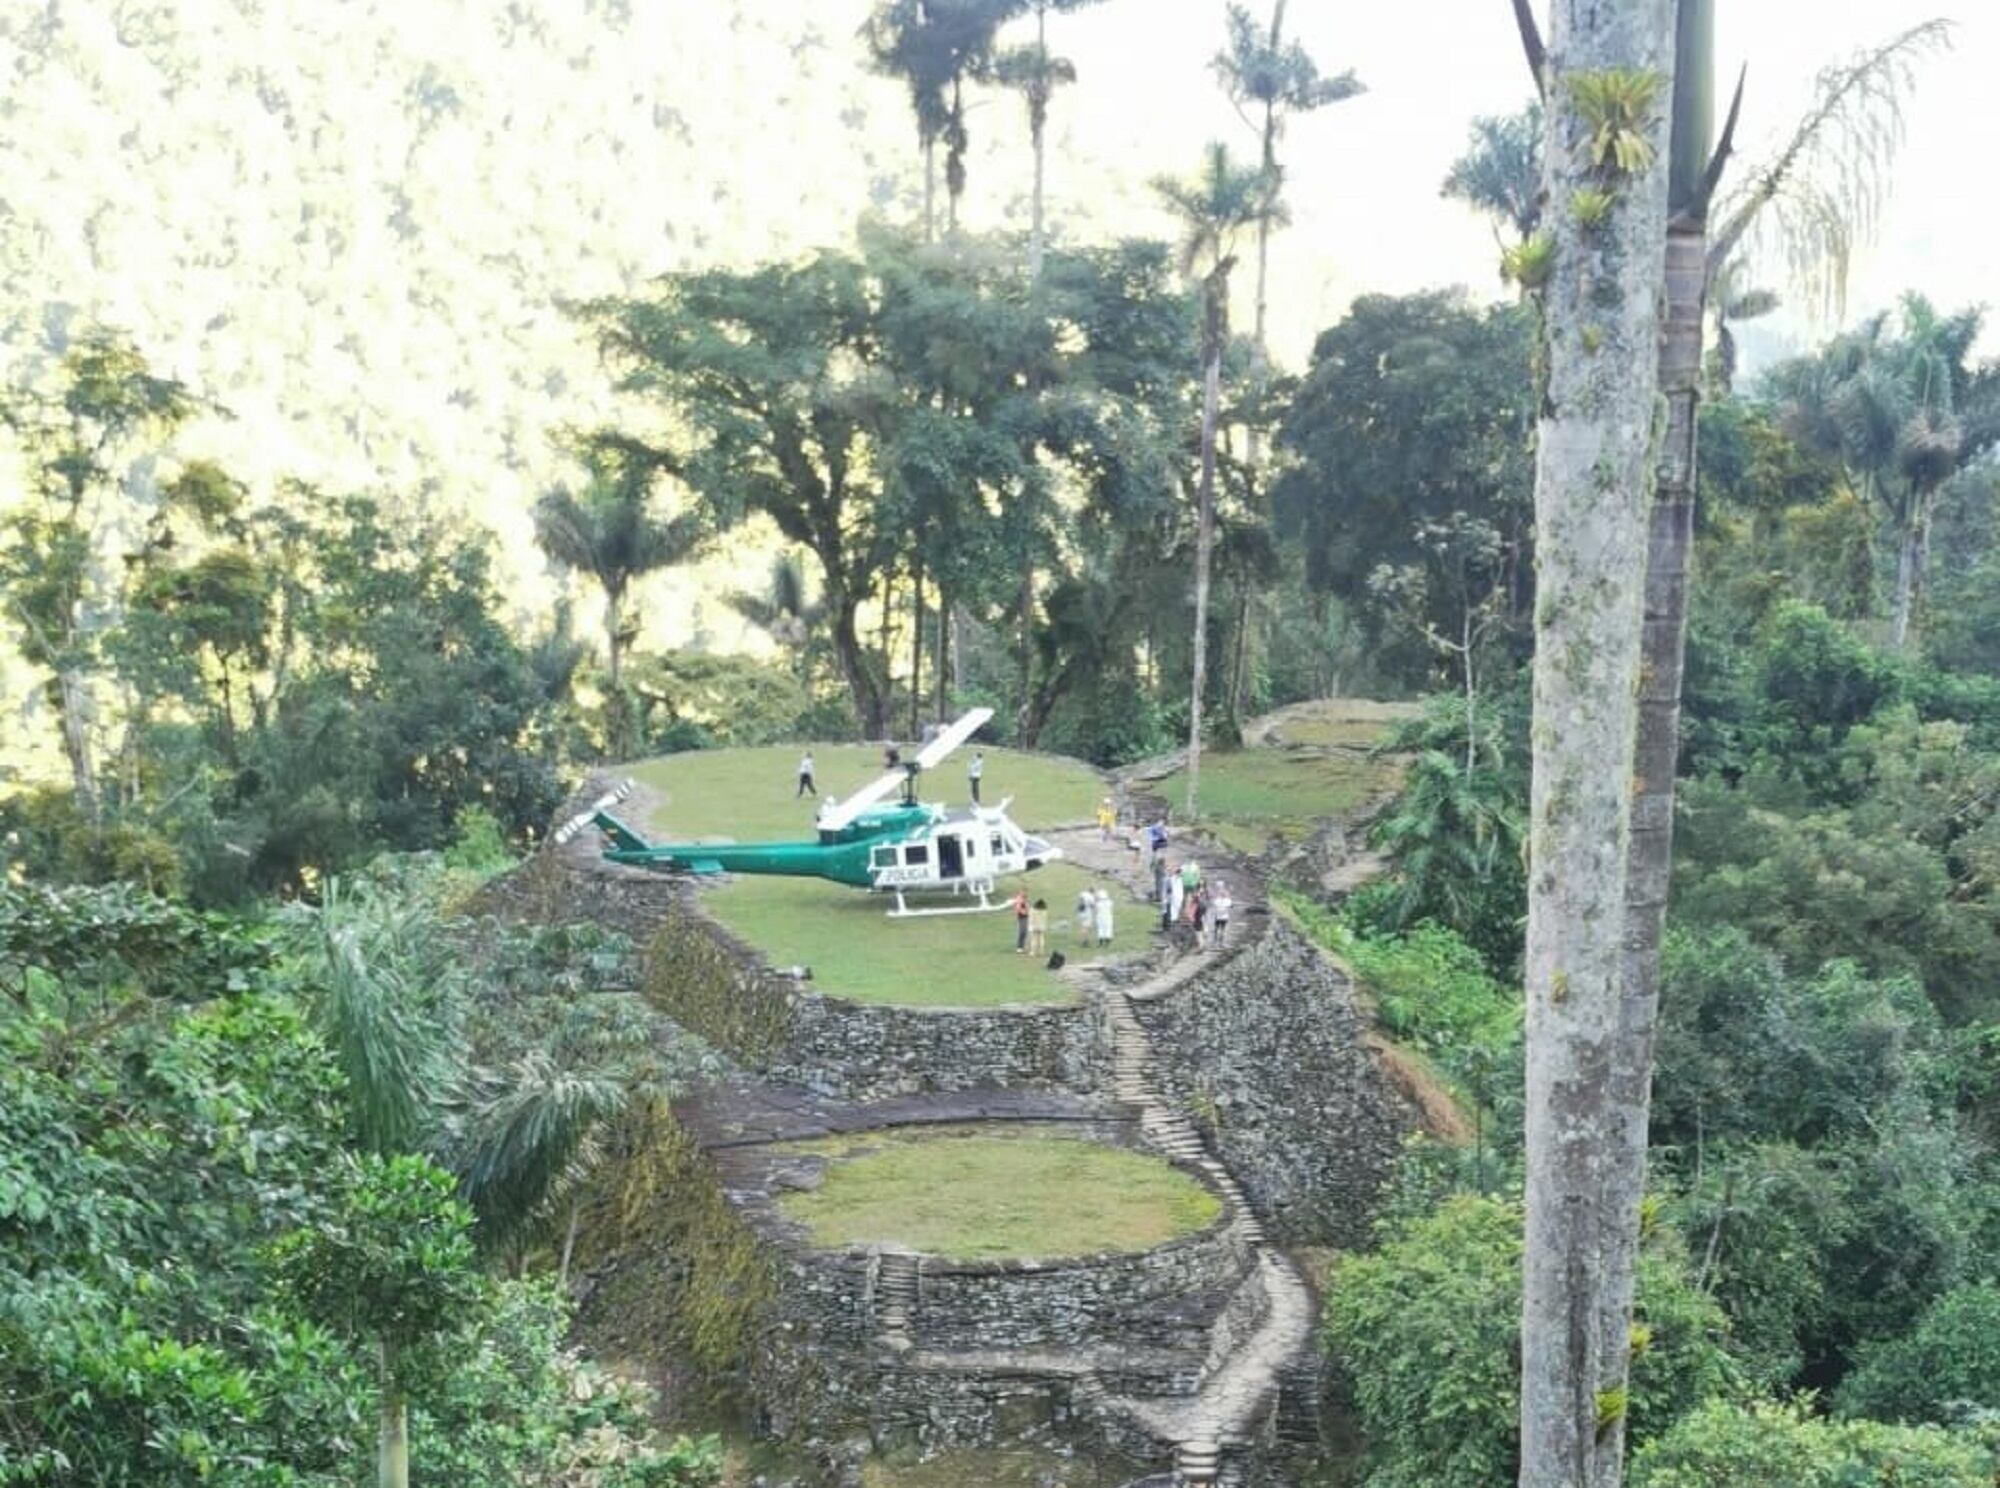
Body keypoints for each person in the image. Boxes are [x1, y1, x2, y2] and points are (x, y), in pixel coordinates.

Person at [1211, 881, 1233, 949]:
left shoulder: (1216, 900)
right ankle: (1221, 943)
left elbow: (1213, 904)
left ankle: (1216, 943)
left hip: (1217, 917)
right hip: (1224, 917)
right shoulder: (1227, 900)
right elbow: (1231, 906)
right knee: (1222, 930)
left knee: (1216, 930)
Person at [1011, 889, 1030, 953]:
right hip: (1021, 918)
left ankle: (1023, 946)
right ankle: (1019, 947)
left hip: (1026, 917)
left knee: (1025, 932)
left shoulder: (1025, 899)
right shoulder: (1019, 900)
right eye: (1022, 892)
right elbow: (1018, 909)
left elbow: (1027, 907)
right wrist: (1023, 911)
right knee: (1022, 932)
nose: (1024, 893)